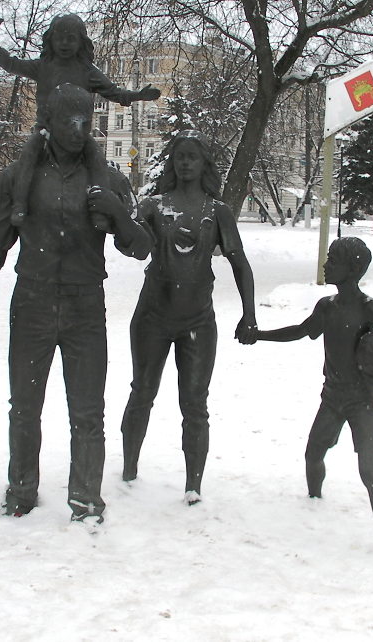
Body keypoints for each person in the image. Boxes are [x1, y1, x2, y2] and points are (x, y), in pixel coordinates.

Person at [0, 83, 152, 523]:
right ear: (48, 122)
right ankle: (21, 490)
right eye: (69, 120)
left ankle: (86, 498)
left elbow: (141, 247)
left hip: (84, 306)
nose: (78, 128)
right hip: (31, 301)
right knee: (24, 407)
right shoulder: (19, 176)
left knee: (88, 411)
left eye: (86, 121)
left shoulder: (109, 179)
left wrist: (117, 211)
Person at [246, 237, 373, 548]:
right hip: (332, 398)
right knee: (313, 455)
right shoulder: (327, 307)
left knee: (370, 472)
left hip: (362, 402)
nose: (326, 265)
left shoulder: (370, 309)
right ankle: (313, 501)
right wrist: (259, 335)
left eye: (332, 260)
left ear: (352, 269)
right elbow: (301, 331)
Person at [121, 130, 257, 505]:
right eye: (179, 156)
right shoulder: (153, 206)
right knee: (142, 393)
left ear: (203, 164)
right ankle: (129, 470)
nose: (185, 163)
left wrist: (249, 314)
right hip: (152, 317)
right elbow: (129, 241)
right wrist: (122, 216)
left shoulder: (218, 212)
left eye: (192, 157)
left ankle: (193, 485)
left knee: (195, 405)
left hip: (197, 321)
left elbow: (240, 263)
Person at [0, 12, 160, 226]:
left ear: (81, 42)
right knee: (29, 155)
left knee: (96, 159)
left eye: (71, 38)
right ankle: (20, 204)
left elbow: (113, 92)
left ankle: (99, 208)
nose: (64, 43)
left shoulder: (87, 71)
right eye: (59, 38)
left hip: (78, 134)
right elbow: (10, 64)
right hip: (46, 131)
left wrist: (138, 96)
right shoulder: (43, 67)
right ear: (51, 40)